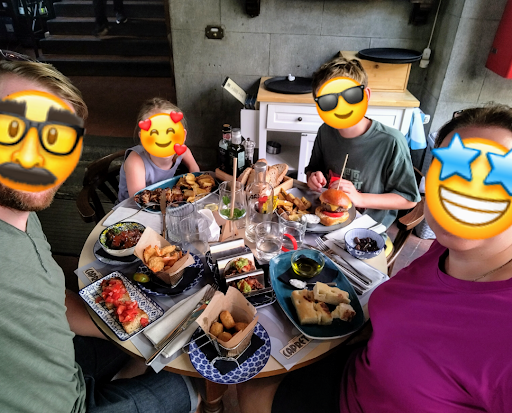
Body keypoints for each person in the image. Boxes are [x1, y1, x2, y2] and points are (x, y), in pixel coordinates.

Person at [237, 103, 512, 413]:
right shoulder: (444, 251)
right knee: (251, 375)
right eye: (450, 172)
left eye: (497, 179)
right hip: (353, 372)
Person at [0, 56, 199, 413]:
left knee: (170, 341)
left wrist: (133, 322)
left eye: (56, 135)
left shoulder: (24, 214)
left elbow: (51, 301)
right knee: (193, 381)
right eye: (11, 128)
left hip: (67, 354)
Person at [306, 55, 420, 229]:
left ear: (365, 95)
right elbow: (313, 170)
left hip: (368, 230)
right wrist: (313, 177)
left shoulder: (392, 142)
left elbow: (408, 199)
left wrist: (360, 198)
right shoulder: (325, 131)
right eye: (328, 101)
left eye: (350, 96)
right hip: (327, 223)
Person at [117, 97, 200, 202]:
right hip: (132, 209)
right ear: (143, 137)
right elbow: (138, 201)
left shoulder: (181, 151)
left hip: (164, 203)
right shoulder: (135, 162)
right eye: (154, 133)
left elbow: (195, 172)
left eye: (170, 131)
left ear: (182, 136)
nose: (163, 138)